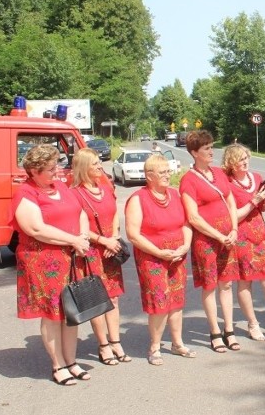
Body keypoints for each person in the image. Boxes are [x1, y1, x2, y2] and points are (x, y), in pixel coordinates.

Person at [10, 144, 93, 385]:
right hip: (43, 262)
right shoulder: (26, 193)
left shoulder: (62, 187)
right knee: (52, 314)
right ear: (34, 171)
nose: (56, 171)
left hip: (70, 257)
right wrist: (74, 240)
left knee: (71, 313)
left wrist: (84, 238)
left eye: (56, 165)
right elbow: (36, 229)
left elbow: (81, 212)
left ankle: (72, 361)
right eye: (49, 168)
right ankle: (58, 365)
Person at [125, 154, 196, 365]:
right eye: (162, 172)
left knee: (176, 300)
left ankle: (177, 343)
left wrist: (185, 246)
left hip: (177, 256)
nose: (168, 175)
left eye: (168, 171)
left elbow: (187, 223)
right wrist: (158, 252)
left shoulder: (175, 195)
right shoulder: (138, 198)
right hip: (152, 258)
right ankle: (155, 347)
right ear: (149, 176)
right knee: (159, 302)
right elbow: (133, 234)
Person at [179, 130, 241, 353]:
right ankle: (214, 331)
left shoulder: (218, 173)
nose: (211, 151)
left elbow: (230, 200)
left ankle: (229, 329)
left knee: (227, 283)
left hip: (228, 237)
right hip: (206, 240)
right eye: (206, 148)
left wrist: (234, 228)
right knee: (210, 285)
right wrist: (219, 236)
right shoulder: (188, 180)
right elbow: (193, 217)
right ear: (194, 153)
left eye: (211, 146)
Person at [71, 148, 131, 366]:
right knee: (98, 300)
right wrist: (103, 241)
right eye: (95, 164)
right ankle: (103, 345)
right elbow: (78, 227)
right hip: (92, 251)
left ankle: (116, 342)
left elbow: (115, 213)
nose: (99, 167)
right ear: (84, 167)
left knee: (114, 298)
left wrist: (114, 237)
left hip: (111, 249)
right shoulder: (75, 193)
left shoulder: (104, 187)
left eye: (99, 163)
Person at [223, 144, 265, 341]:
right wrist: (254, 200)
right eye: (240, 159)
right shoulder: (228, 184)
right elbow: (234, 216)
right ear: (231, 163)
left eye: (246, 158)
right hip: (241, 236)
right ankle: (253, 323)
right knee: (245, 283)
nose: (245, 162)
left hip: (260, 233)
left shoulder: (257, 178)